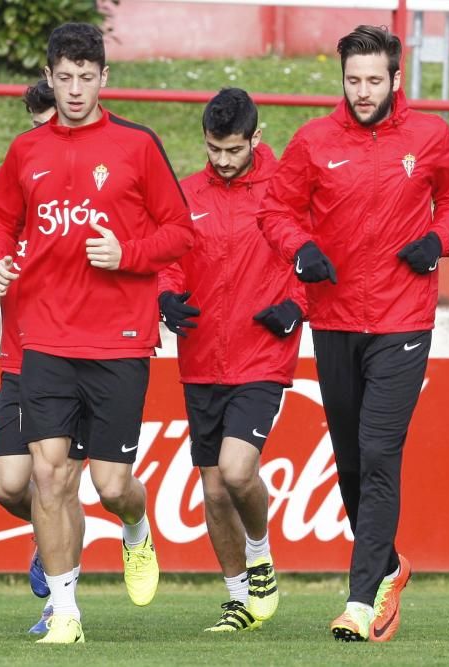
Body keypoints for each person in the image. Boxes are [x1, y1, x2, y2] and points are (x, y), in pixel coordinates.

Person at [258, 24, 449, 643]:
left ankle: (360, 600)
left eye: (373, 80)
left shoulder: (430, 135)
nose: (362, 91)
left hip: (403, 319)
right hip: (333, 319)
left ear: (395, 79)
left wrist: (438, 241)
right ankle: (388, 565)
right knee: (351, 461)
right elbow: (276, 209)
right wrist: (300, 250)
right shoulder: (312, 141)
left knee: (381, 452)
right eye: (353, 80)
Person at [0, 22, 193, 644]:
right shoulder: (26, 152)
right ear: (49, 78)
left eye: (86, 76)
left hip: (119, 340)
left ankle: (134, 525)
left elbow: (181, 233)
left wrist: (127, 252)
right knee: (48, 476)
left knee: (110, 485)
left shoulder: (137, 145)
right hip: (44, 339)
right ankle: (66, 613)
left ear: (104, 78)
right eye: (64, 77)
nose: (75, 89)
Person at [157, 87, 302, 633]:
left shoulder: (286, 189)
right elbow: (169, 259)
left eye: (233, 150)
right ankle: (241, 598)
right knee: (214, 488)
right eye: (213, 149)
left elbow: (311, 255)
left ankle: (260, 552)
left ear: (256, 139)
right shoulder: (186, 192)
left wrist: (296, 306)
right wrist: (166, 298)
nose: (222, 161)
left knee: (239, 471)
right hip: (199, 360)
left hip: (262, 355)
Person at [0, 79, 86, 635]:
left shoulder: (91, 180)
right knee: (8, 486)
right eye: (38, 126)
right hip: (18, 355)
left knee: (55, 484)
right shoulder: (7, 179)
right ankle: (49, 540)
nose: (49, 137)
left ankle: (61, 606)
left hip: (75, 354)